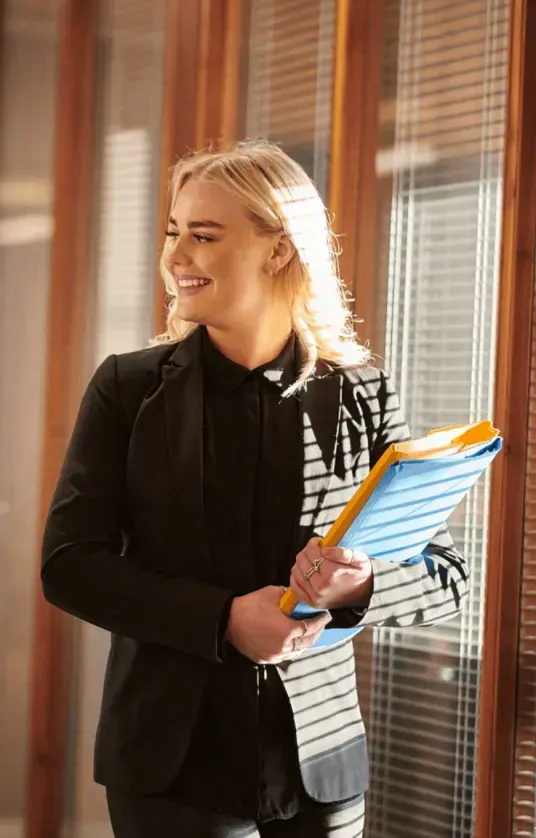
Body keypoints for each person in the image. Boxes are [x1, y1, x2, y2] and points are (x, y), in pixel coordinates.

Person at [40, 141, 467, 837]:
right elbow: (69, 566)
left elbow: (444, 577)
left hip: (320, 763)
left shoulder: (362, 394)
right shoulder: (128, 388)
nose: (177, 256)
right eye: (174, 233)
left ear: (279, 250)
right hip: (172, 764)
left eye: (204, 236)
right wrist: (224, 619)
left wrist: (359, 586)